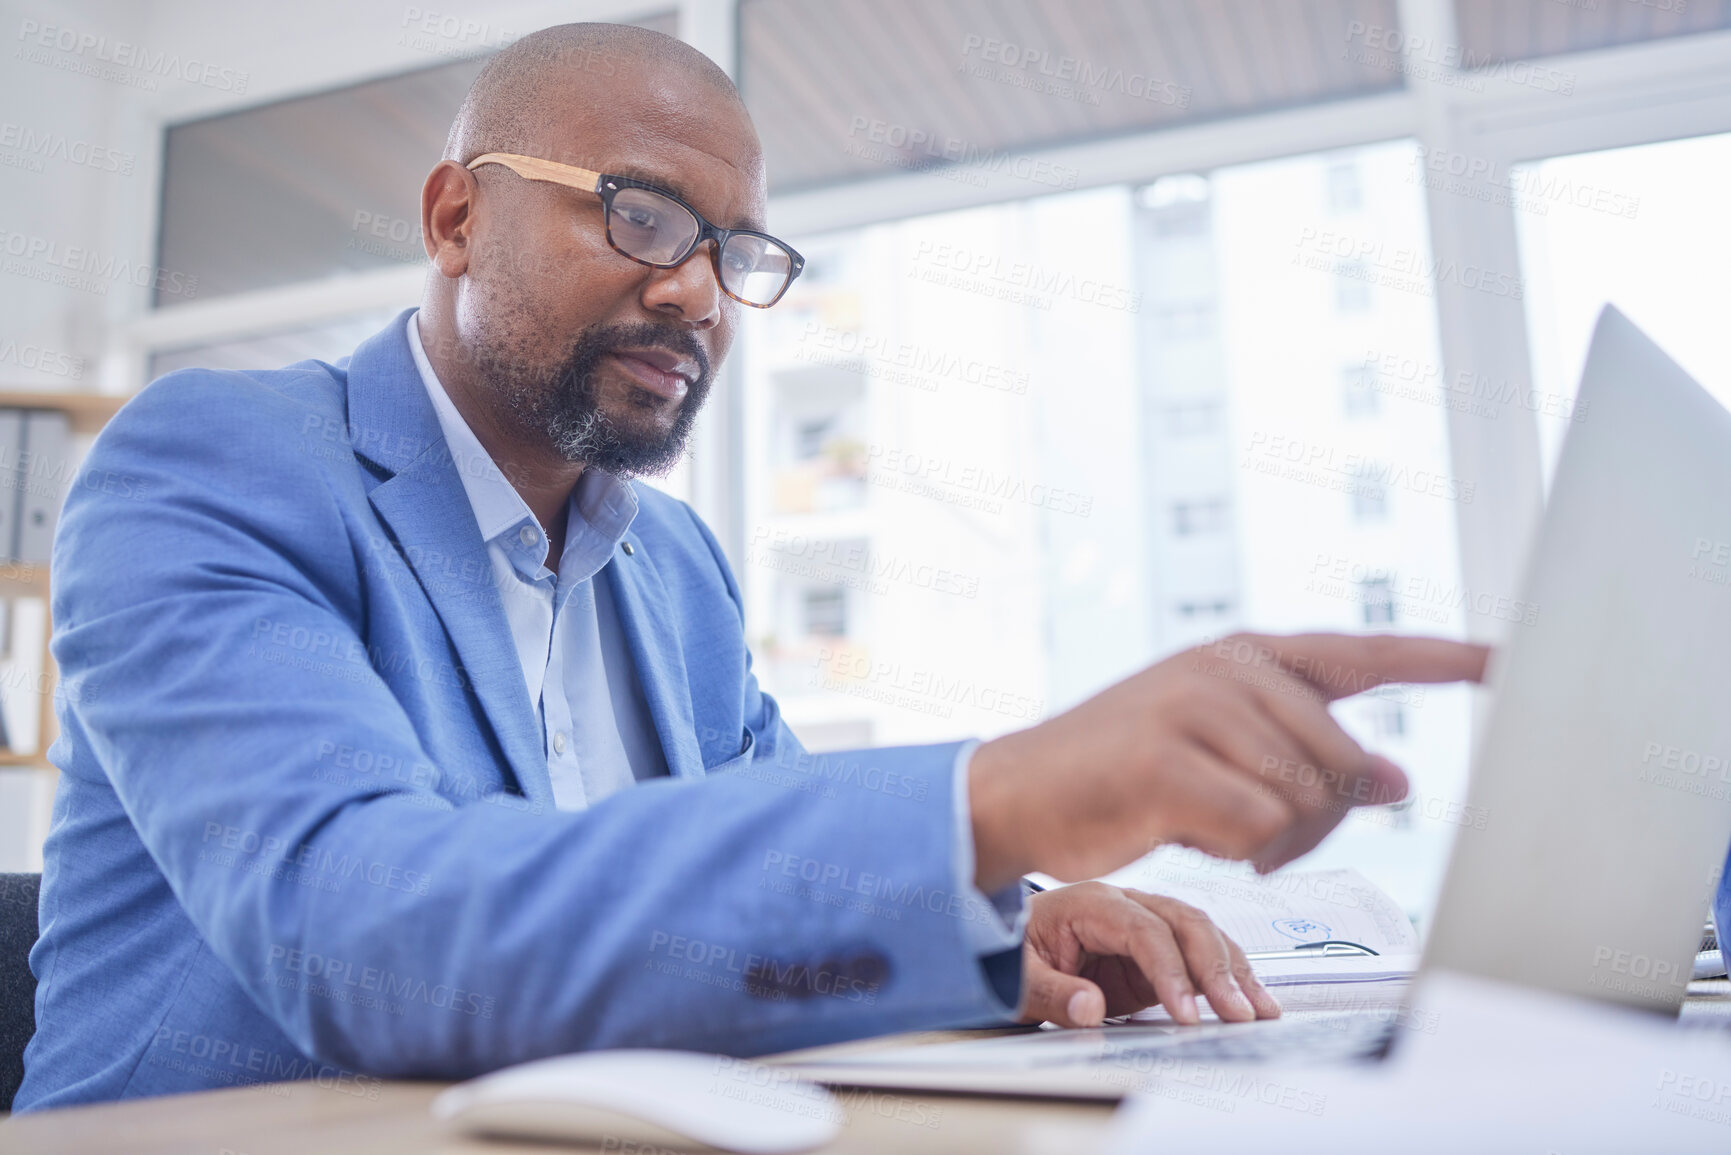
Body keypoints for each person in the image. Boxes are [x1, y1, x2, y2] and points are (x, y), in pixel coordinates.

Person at [14, 23, 1487, 1111]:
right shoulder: (213, 465)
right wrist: (1005, 792)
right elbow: (368, 933)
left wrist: (1009, 922)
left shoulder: (676, 574)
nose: (693, 292)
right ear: (456, 213)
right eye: (641, 213)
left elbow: (785, 856)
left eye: (737, 252)